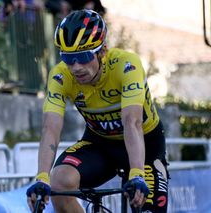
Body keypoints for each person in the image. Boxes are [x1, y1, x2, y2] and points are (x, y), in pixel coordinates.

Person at [26, 9, 169, 213]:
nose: (75, 67)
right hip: (100, 144)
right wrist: (41, 178)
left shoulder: (126, 65)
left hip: (144, 144)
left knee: (144, 207)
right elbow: (50, 128)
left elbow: (132, 122)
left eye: (83, 57)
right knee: (59, 182)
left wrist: (136, 174)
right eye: (68, 58)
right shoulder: (60, 76)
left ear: (102, 50)